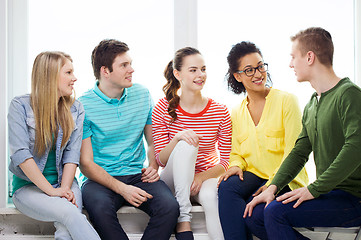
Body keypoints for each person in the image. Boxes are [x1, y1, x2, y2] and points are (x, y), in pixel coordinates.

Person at [244, 27, 361, 240]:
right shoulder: (312, 105)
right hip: (329, 194)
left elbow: (355, 148)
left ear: (309, 57)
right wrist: (272, 187)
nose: (290, 64)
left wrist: (314, 189)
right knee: (254, 215)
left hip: (353, 199)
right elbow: (299, 153)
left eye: (293, 57)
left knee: (275, 212)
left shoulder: (349, 94)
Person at [78, 39, 179, 240]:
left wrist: (152, 165)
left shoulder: (142, 94)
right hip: (99, 179)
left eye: (130, 63)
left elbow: (152, 142)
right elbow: (86, 164)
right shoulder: (83, 105)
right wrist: (123, 189)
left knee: (170, 207)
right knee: (98, 209)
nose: (131, 69)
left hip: (137, 175)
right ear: (105, 71)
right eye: (124, 65)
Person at [217, 41, 309, 240]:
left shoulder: (287, 101)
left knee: (254, 215)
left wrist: (271, 185)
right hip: (255, 175)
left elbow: (294, 151)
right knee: (227, 186)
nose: (258, 74)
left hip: (285, 178)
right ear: (237, 76)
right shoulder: (237, 111)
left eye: (260, 66)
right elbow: (237, 152)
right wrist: (235, 165)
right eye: (249, 70)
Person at [8, 51, 100, 240]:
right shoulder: (20, 106)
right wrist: (52, 192)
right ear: (50, 75)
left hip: (64, 183)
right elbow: (21, 156)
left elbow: (72, 156)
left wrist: (64, 189)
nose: (74, 78)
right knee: (70, 214)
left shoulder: (76, 108)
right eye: (68, 73)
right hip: (27, 188)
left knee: (66, 231)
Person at [152, 47, 232, 240]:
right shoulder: (162, 107)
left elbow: (226, 162)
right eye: (193, 70)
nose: (200, 75)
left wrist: (200, 177)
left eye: (203, 69)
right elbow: (161, 160)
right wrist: (178, 138)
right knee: (187, 141)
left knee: (210, 198)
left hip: (203, 179)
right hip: (172, 181)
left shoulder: (220, 111)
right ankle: (183, 219)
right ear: (177, 74)